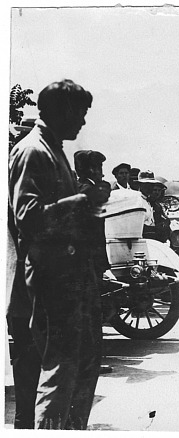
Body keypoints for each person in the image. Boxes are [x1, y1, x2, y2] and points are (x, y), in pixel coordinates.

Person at [8, 79, 102, 429]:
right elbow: (28, 218)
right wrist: (81, 202)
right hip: (52, 276)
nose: (83, 121)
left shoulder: (53, 148)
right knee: (60, 374)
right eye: (80, 112)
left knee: (82, 366)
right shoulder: (33, 150)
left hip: (70, 275)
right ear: (61, 110)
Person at [138, 170, 171, 243]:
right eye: (146, 185)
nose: (149, 188)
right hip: (144, 240)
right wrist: (157, 229)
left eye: (151, 185)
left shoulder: (149, 202)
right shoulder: (137, 201)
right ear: (140, 185)